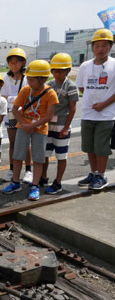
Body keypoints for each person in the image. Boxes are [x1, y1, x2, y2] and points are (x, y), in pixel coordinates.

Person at [3, 60, 59, 201]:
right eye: (28, 78)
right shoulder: (25, 90)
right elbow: (15, 109)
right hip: (23, 126)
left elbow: (49, 116)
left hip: (40, 129)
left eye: (32, 79)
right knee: (17, 155)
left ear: (43, 79)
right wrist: (24, 124)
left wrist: (32, 126)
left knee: (38, 158)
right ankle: (15, 182)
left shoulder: (50, 94)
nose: (29, 82)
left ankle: (35, 185)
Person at [76, 29, 115, 190]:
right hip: (88, 113)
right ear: (93, 47)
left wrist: (103, 104)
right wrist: (92, 99)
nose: (100, 49)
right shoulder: (85, 66)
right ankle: (93, 173)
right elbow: (81, 86)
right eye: (97, 45)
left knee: (101, 148)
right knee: (89, 147)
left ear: (110, 46)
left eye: (104, 45)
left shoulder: (114, 65)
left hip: (106, 115)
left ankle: (101, 175)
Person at [40, 53, 79, 194]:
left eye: (61, 71)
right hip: (48, 125)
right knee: (45, 153)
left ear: (67, 71)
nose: (57, 73)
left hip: (62, 125)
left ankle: (58, 182)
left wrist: (67, 128)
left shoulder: (70, 85)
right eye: (54, 70)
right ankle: (43, 177)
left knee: (61, 156)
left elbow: (73, 108)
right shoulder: (49, 84)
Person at [1, 48, 33, 184]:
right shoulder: (6, 78)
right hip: (11, 115)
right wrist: (16, 99)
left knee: (26, 143)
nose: (14, 65)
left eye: (16, 62)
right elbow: (3, 96)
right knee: (13, 143)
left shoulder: (27, 79)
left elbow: (28, 97)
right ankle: (12, 169)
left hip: (24, 115)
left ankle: (28, 170)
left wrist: (12, 99)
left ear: (23, 63)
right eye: (11, 63)